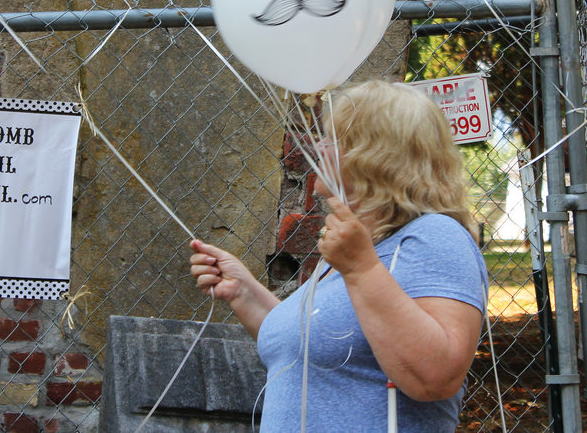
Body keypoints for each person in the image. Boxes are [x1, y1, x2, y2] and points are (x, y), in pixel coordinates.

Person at [190, 80, 488, 432]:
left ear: (376, 155)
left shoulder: (435, 236)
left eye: (333, 138)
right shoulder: (358, 253)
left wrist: (361, 269)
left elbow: (436, 377)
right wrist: (243, 292)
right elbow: (309, 347)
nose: (318, 144)